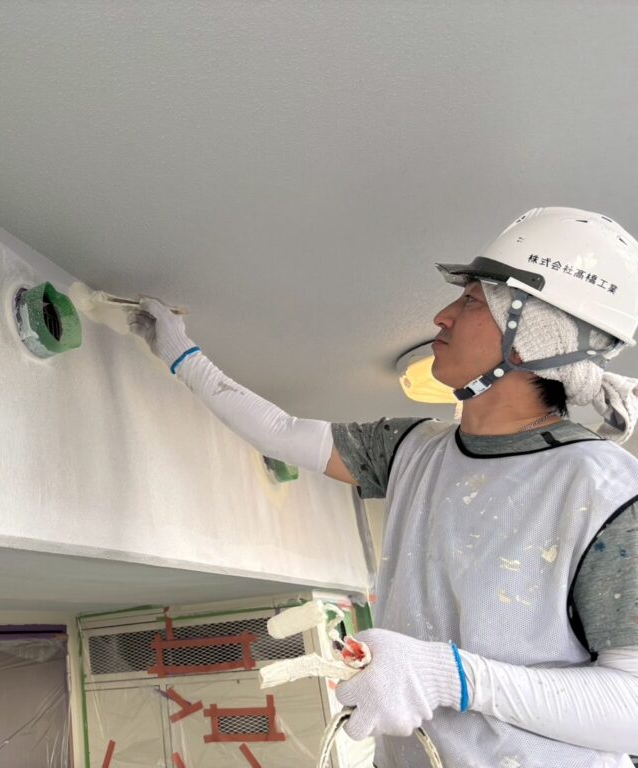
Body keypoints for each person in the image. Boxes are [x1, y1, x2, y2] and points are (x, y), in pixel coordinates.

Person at [129, 207, 638, 768]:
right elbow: (282, 431)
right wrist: (182, 357)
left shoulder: (608, 492)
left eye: (473, 301)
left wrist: (455, 678)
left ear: (532, 336)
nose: (442, 315)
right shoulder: (412, 449)